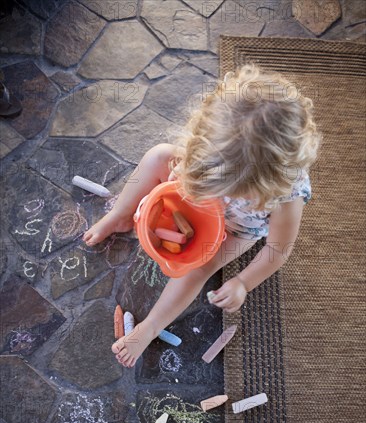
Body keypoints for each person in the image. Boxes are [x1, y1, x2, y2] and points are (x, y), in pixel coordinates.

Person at [83, 63, 322, 368]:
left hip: (236, 229)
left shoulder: (286, 197)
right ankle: (120, 214)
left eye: (237, 189)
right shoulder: (214, 143)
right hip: (195, 194)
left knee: (198, 269)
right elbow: (182, 165)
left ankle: (150, 326)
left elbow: (277, 251)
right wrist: (185, 182)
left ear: (266, 185)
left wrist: (242, 283)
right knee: (158, 155)